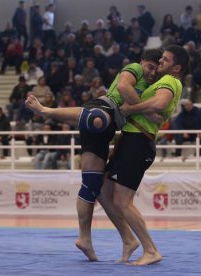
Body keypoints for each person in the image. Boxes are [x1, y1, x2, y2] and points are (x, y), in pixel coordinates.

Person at [25, 49, 163, 262]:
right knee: (96, 119)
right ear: (142, 62)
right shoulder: (135, 69)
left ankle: (93, 239)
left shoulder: (151, 85)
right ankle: (47, 111)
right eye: (150, 67)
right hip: (102, 110)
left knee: (92, 184)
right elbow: (123, 87)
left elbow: (139, 105)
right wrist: (144, 110)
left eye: (156, 69)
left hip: (108, 128)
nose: (152, 72)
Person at [112, 45, 189, 265]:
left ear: (177, 67)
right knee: (106, 192)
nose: (161, 62)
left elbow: (160, 103)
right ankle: (129, 240)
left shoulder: (171, 81)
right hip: (130, 139)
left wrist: (130, 109)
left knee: (123, 201)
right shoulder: (157, 82)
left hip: (139, 141)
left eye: (166, 60)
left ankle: (151, 249)